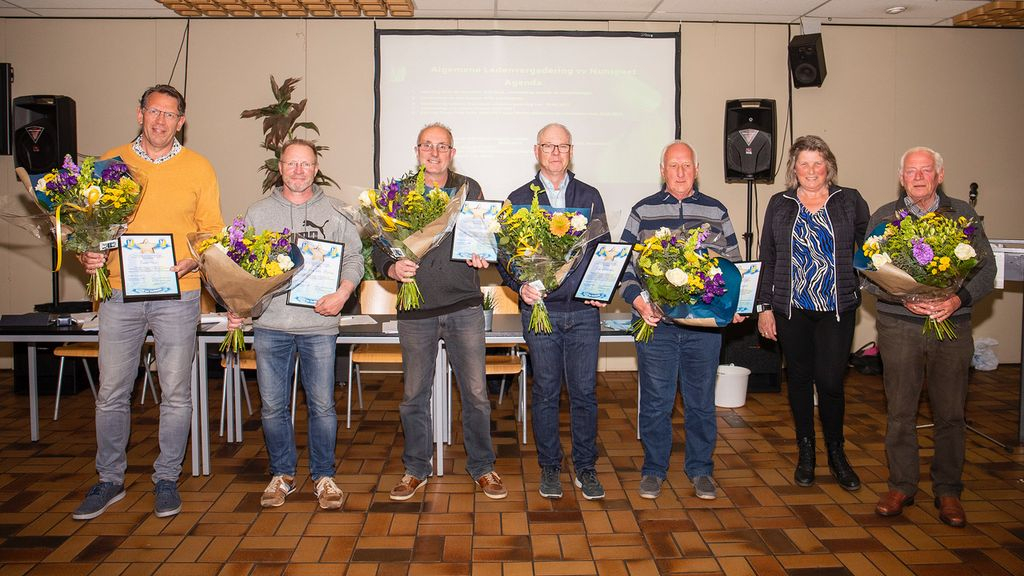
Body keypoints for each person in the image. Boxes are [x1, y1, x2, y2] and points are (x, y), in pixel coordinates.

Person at [73, 84, 224, 520]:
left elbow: (212, 231)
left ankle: (166, 478)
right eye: (154, 112)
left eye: (170, 114)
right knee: (111, 392)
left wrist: (195, 257)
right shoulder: (110, 163)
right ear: (139, 114)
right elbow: (89, 226)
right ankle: (109, 479)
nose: (161, 121)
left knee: (176, 393)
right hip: (120, 292)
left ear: (181, 121)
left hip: (179, 291)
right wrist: (88, 254)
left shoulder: (199, 167)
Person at [371, 123, 507, 501]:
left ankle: (483, 467)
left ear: (452, 152)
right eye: (427, 146)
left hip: (464, 306)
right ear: (417, 151)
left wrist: (485, 254)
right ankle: (416, 469)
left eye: (442, 146)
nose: (434, 153)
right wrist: (391, 268)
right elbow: (380, 247)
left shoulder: (469, 189)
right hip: (416, 310)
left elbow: (486, 238)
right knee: (414, 396)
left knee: (476, 395)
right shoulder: (398, 194)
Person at [231, 139, 364, 510]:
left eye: (306, 164)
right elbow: (240, 268)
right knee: (273, 407)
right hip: (270, 325)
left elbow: (354, 259)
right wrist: (238, 305)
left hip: (319, 325)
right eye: (292, 164)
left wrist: (343, 293)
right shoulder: (258, 213)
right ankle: (282, 474)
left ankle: (323, 476)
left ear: (316, 169)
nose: (299, 171)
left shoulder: (337, 211)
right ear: (280, 168)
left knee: (322, 406)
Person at [870, 147, 994, 528]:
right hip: (899, 326)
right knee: (900, 411)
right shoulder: (885, 218)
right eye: (911, 171)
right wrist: (903, 297)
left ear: (940, 176)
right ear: (901, 177)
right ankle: (901, 486)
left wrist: (957, 299)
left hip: (951, 324)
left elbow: (986, 269)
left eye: (926, 171)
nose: (918, 177)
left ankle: (949, 490)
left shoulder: (963, 216)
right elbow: (866, 273)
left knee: (951, 412)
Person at [619, 141, 741, 501]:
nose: (680, 172)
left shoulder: (716, 211)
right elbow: (624, 266)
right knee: (656, 402)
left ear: (697, 169)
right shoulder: (642, 211)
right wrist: (639, 301)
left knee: (700, 402)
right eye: (673, 166)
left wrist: (736, 303)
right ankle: (654, 469)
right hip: (656, 326)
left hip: (704, 330)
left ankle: (701, 469)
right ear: (662, 171)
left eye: (686, 165)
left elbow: (734, 266)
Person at [500, 123, 609, 500]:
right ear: (537, 151)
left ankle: (586, 467)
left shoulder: (590, 196)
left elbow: (603, 250)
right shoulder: (518, 198)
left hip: (583, 313)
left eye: (562, 146)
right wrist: (520, 287)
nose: (556, 153)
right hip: (540, 311)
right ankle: (549, 466)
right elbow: (504, 257)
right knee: (546, 391)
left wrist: (602, 289)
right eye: (548, 146)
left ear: (571, 151)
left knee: (584, 393)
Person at [755, 135, 869, 492]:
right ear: (794, 169)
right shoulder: (780, 203)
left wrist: (865, 284)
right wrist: (764, 307)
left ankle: (837, 453)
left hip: (836, 309)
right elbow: (768, 257)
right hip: (792, 309)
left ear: (828, 167)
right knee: (800, 380)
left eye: (817, 163)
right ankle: (807, 452)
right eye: (803, 163)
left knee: (831, 381)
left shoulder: (850, 200)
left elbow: (872, 252)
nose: (811, 170)